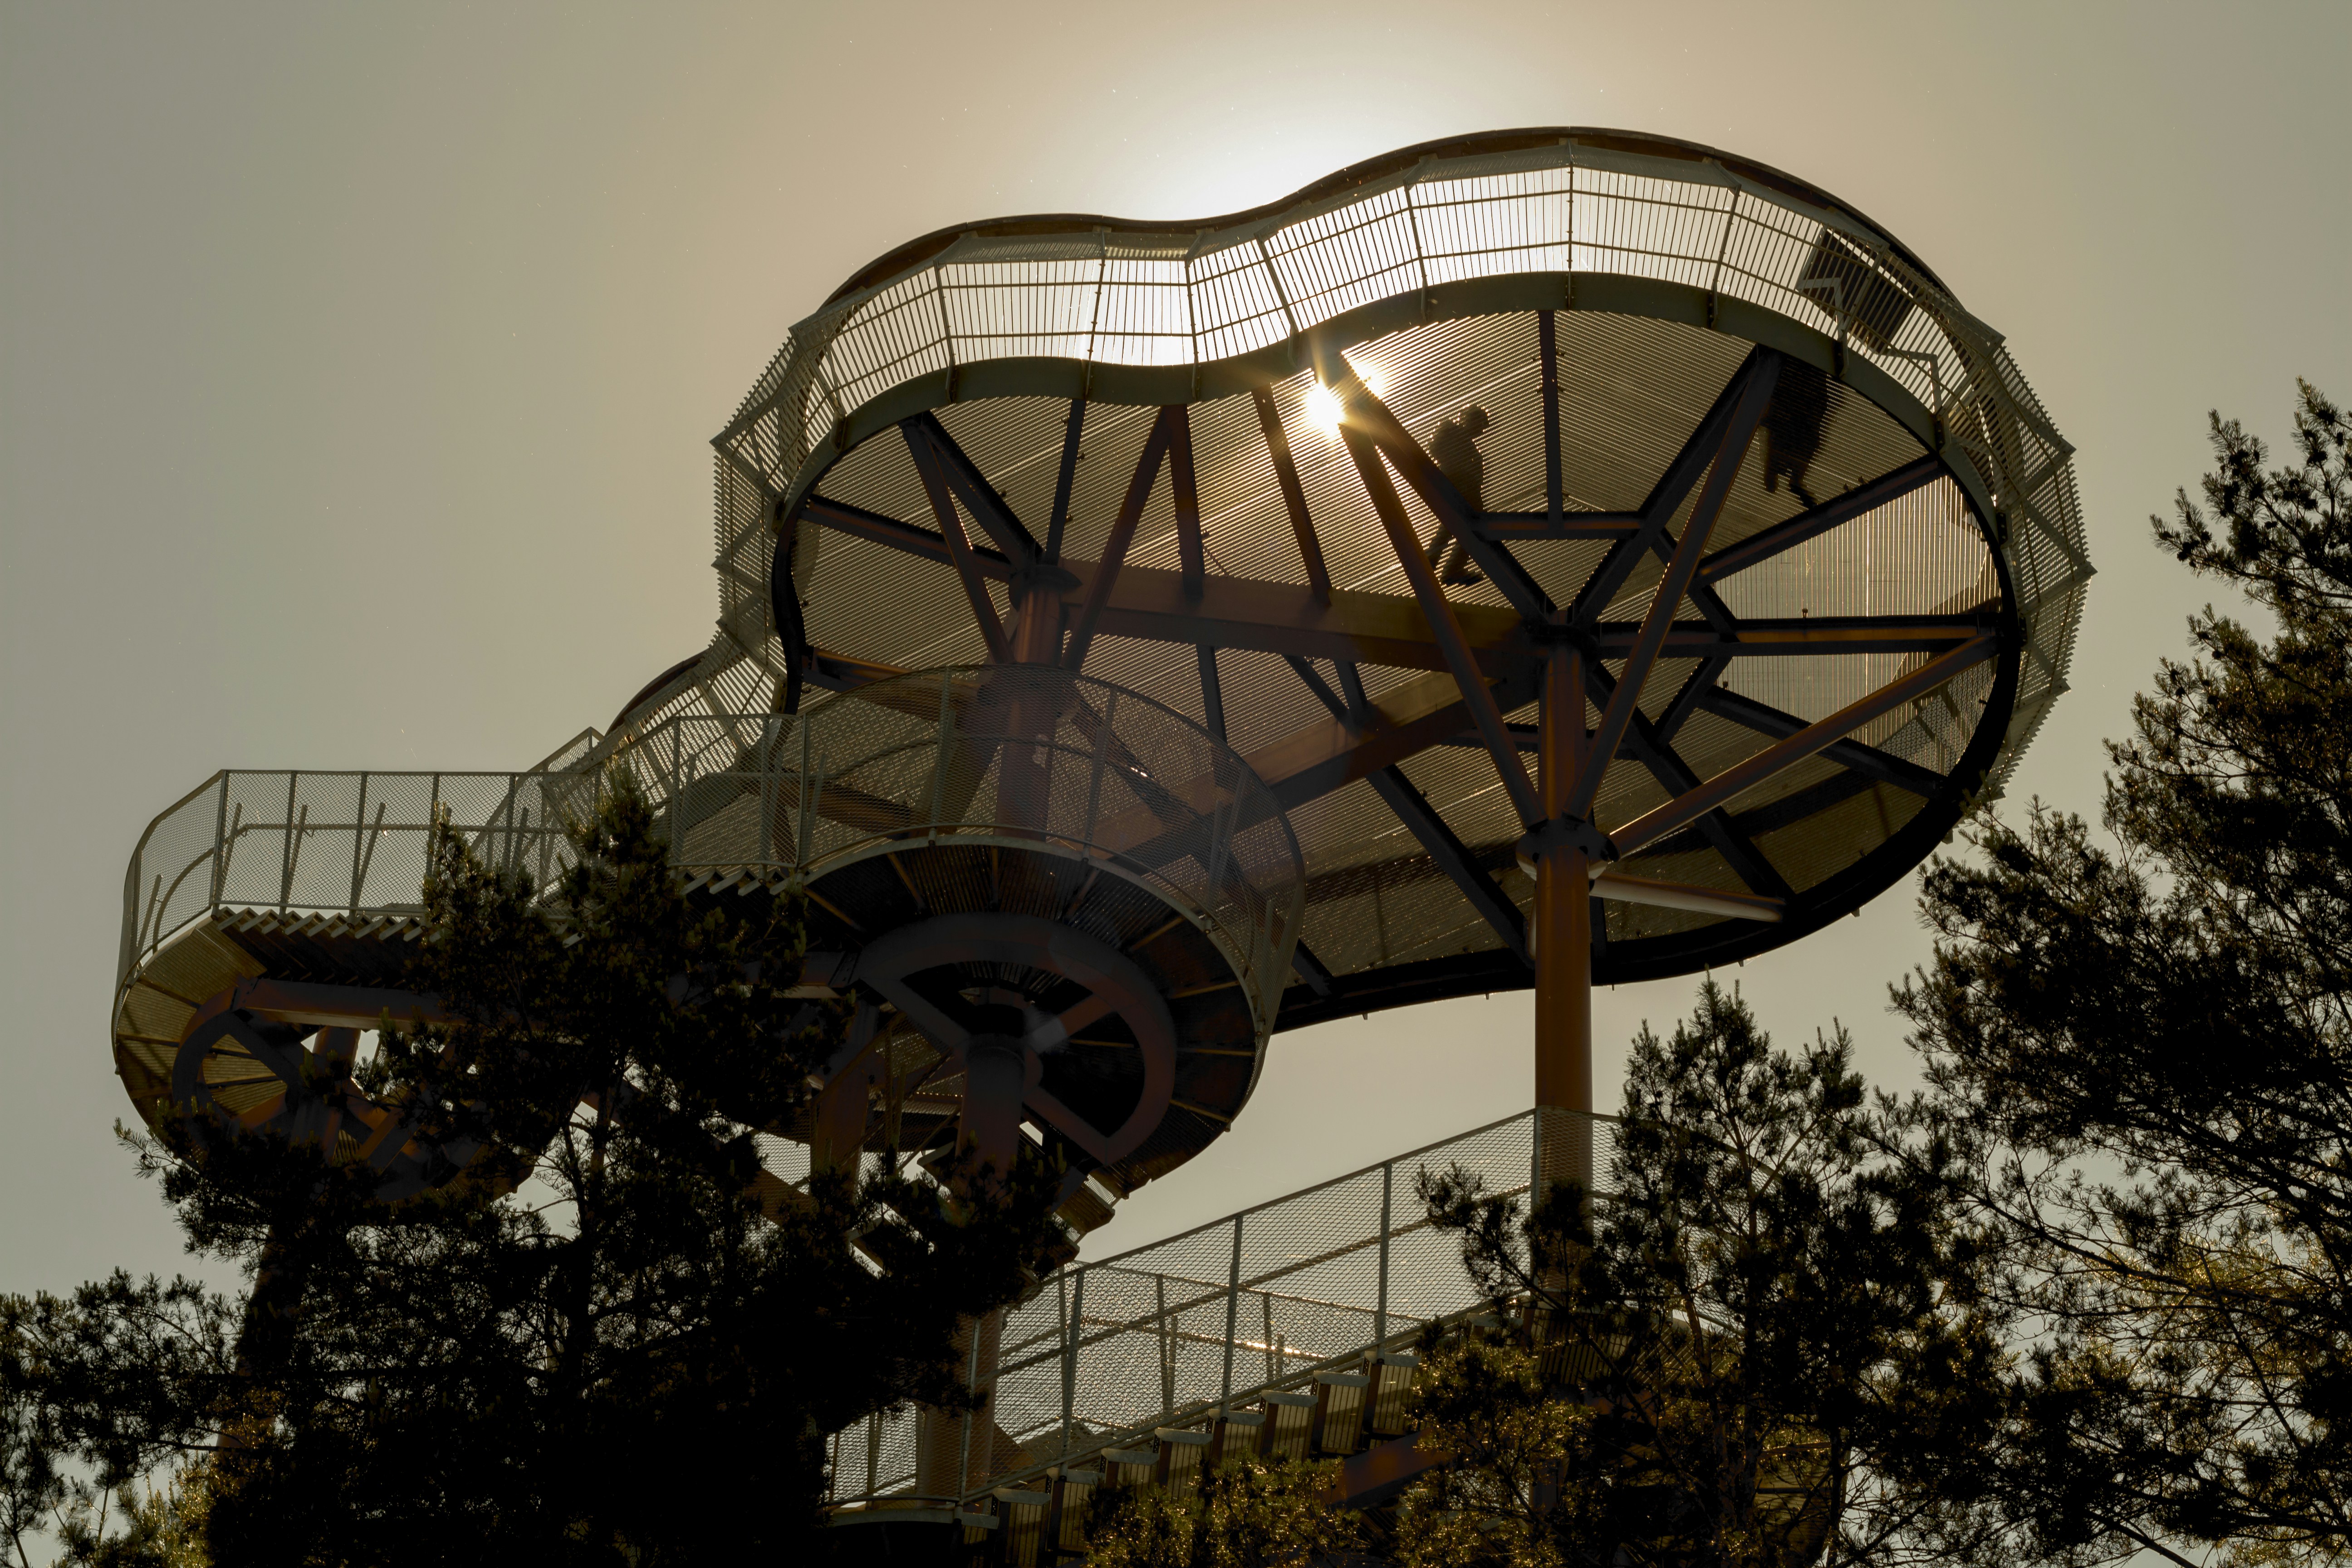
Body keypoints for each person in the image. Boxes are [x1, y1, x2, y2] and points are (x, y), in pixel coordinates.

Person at [1426, 405, 1490, 585]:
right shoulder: (1452, 431)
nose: (1481, 431)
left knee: (1455, 525)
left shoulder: (1471, 450)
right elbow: (1437, 450)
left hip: (1461, 488)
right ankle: (1444, 565)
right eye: (1480, 425)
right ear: (1470, 420)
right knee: (1473, 523)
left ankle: (1436, 561)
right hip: (1455, 484)